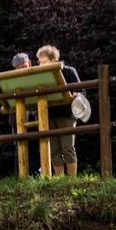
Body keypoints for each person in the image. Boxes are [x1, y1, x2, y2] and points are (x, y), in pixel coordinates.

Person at [36, 45, 80, 177]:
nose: (41, 65)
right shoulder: (40, 76)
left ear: (54, 60)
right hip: (49, 115)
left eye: (44, 62)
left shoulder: (69, 71)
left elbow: (81, 90)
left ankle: (72, 179)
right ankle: (60, 179)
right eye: (40, 62)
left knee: (68, 147)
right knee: (54, 150)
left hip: (67, 115)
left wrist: (76, 95)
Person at [10, 53, 40, 176]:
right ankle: (20, 178)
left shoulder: (38, 76)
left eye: (24, 66)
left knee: (36, 150)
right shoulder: (11, 80)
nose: (22, 69)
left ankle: (36, 176)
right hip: (18, 119)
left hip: (36, 117)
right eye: (19, 68)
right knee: (20, 150)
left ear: (30, 63)